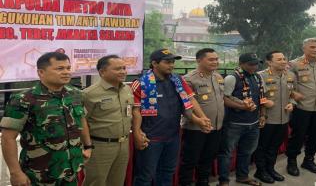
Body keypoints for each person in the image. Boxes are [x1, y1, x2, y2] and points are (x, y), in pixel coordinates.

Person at [0, 52, 89, 185]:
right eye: (60, 68)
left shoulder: (75, 94)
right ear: (41, 72)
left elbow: (81, 119)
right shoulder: (24, 99)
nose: (66, 72)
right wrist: (16, 173)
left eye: (68, 68)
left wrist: (88, 145)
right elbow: (8, 137)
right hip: (39, 174)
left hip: (71, 170)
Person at [131, 49, 211, 186]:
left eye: (173, 62)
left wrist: (202, 118)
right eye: (167, 62)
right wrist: (137, 133)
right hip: (151, 138)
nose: (172, 65)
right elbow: (135, 110)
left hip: (172, 137)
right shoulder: (141, 83)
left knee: (167, 172)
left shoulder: (177, 80)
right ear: (154, 63)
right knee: (145, 176)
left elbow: (190, 101)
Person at [217, 53, 270, 186]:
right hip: (234, 124)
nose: (254, 67)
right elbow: (224, 99)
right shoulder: (231, 78)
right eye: (251, 64)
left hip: (253, 123)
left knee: (247, 152)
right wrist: (242, 106)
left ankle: (242, 176)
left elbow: (262, 98)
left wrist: (263, 115)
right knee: (227, 154)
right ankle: (224, 181)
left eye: (256, 64)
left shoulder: (258, 77)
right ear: (241, 63)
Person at [81, 55, 133, 186]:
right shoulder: (89, 94)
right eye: (117, 69)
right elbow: (81, 122)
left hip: (123, 144)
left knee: (117, 182)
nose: (123, 71)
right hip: (100, 147)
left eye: (124, 68)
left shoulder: (127, 89)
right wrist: (87, 146)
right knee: (96, 182)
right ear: (102, 72)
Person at [178, 48, 225, 186]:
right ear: (199, 60)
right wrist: (198, 120)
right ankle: (185, 183)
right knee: (190, 159)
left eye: (216, 59)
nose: (215, 62)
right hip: (195, 128)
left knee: (208, 157)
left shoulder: (218, 77)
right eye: (211, 59)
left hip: (216, 126)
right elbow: (185, 106)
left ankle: (203, 182)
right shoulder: (189, 79)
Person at [286, 38, 316, 176]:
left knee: (315, 136)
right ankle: (292, 161)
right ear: (304, 48)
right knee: (297, 136)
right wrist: (293, 93)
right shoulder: (294, 64)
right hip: (301, 107)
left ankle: (309, 160)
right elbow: (286, 82)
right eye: (312, 47)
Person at [254, 51, 296, 183]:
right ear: (269, 62)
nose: (283, 61)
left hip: (283, 118)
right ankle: (260, 171)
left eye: (284, 58)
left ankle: (270, 169)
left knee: (275, 146)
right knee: (263, 146)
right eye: (279, 59)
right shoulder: (260, 76)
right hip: (267, 118)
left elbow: (292, 94)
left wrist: (292, 104)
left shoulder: (290, 75)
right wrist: (264, 101)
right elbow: (252, 96)